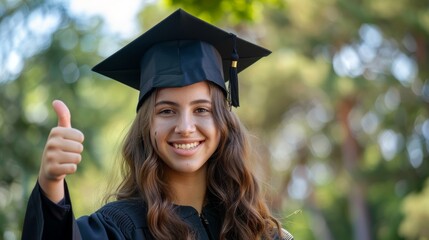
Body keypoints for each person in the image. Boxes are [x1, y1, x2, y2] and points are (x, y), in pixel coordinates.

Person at [22, 9, 294, 240]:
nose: (185, 126)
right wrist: (51, 183)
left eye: (201, 109)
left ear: (223, 122)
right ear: (146, 126)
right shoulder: (119, 228)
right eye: (166, 111)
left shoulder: (255, 229)